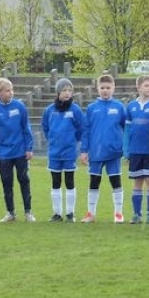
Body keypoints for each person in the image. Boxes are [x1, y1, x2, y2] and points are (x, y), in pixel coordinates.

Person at [79, 74, 127, 223]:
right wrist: (84, 151)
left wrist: (125, 149)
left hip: (113, 152)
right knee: (94, 182)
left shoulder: (119, 107)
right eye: (102, 88)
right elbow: (86, 130)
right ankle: (91, 214)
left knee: (116, 181)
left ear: (113, 88)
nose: (105, 90)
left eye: (108, 88)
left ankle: (118, 213)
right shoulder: (92, 108)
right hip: (96, 152)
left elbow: (127, 129)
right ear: (97, 89)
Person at [0, 78, 35, 223]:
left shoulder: (19, 106)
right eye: (8, 90)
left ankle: (28, 213)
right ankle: (11, 213)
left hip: (20, 152)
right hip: (4, 154)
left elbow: (26, 128)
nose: (11, 93)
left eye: (11, 90)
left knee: (24, 181)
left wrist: (29, 148)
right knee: (6, 183)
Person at [41, 78, 85, 222]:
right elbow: (46, 128)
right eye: (64, 90)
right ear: (58, 92)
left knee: (69, 181)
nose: (67, 93)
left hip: (69, 152)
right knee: (55, 181)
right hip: (54, 152)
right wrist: (53, 140)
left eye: (69, 90)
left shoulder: (75, 110)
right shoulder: (49, 110)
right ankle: (57, 213)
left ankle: (70, 213)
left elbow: (81, 129)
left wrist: (73, 142)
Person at [125, 75, 149, 224]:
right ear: (138, 87)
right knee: (137, 181)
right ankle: (136, 214)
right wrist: (126, 149)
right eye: (146, 85)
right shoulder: (131, 106)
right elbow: (127, 130)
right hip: (135, 150)